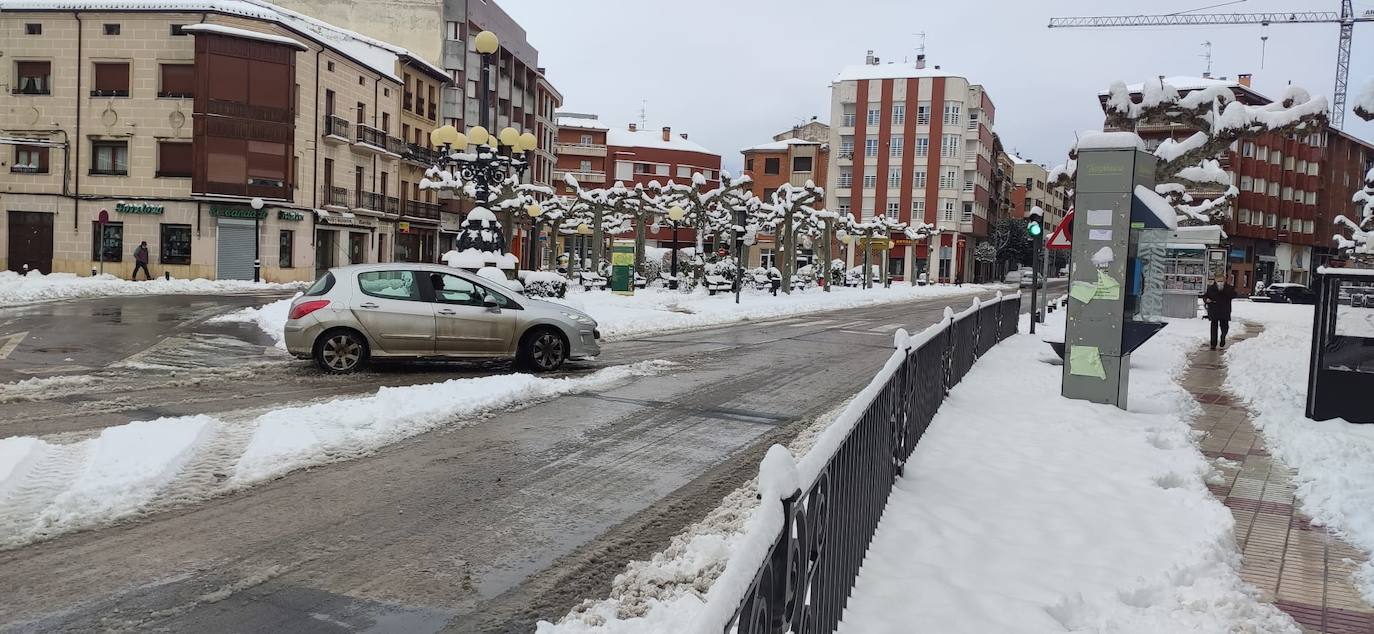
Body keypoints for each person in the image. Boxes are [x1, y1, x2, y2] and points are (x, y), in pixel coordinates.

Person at [1201, 275, 1237, 350]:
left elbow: (1234, 295)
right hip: (1214, 309)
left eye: (1221, 281)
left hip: (1225, 310)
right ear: (1215, 281)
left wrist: (1226, 290)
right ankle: (1213, 343)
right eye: (1218, 281)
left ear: (1224, 281)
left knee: (1225, 327)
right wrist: (1206, 299)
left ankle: (1223, 337)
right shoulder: (1211, 288)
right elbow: (1205, 296)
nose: (1220, 283)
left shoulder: (1229, 288)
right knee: (1214, 327)